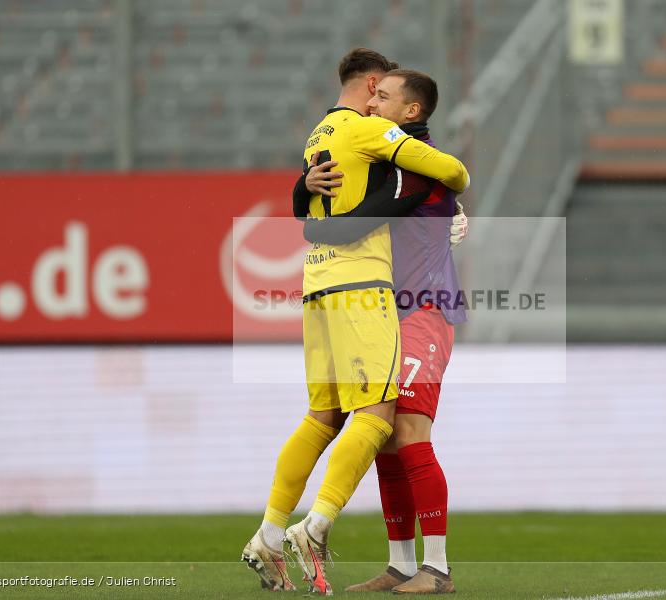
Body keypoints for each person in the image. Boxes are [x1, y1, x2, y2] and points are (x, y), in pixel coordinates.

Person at [241, 48, 469, 596]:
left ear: (409, 113)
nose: (373, 105)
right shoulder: (380, 158)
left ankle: (436, 570)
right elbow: (327, 201)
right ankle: (400, 564)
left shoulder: (415, 162)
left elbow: (443, 186)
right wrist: (304, 190)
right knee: (384, 433)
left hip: (424, 306)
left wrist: (321, 230)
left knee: (407, 428)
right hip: (385, 305)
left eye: (384, 98)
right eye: (375, 93)